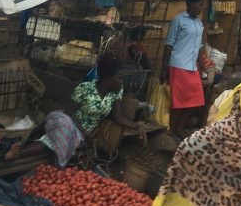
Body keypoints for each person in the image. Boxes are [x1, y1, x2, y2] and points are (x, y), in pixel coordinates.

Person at [16, 53, 146, 164]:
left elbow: (119, 117)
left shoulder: (116, 91)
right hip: (70, 123)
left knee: (59, 137)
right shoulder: (84, 88)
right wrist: (85, 133)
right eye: (119, 77)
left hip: (83, 134)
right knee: (60, 134)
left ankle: (16, 153)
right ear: (108, 77)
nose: (121, 81)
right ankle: (17, 154)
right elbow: (69, 113)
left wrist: (136, 126)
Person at [163, 0, 210, 140]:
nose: (201, 8)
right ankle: (172, 130)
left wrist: (202, 66)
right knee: (179, 103)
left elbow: (198, 47)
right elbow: (169, 45)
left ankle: (179, 127)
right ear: (190, 4)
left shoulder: (199, 23)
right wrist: (164, 69)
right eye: (199, 4)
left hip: (192, 67)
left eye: (202, 5)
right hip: (178, 65)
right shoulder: (178, 20)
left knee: (196, 101)